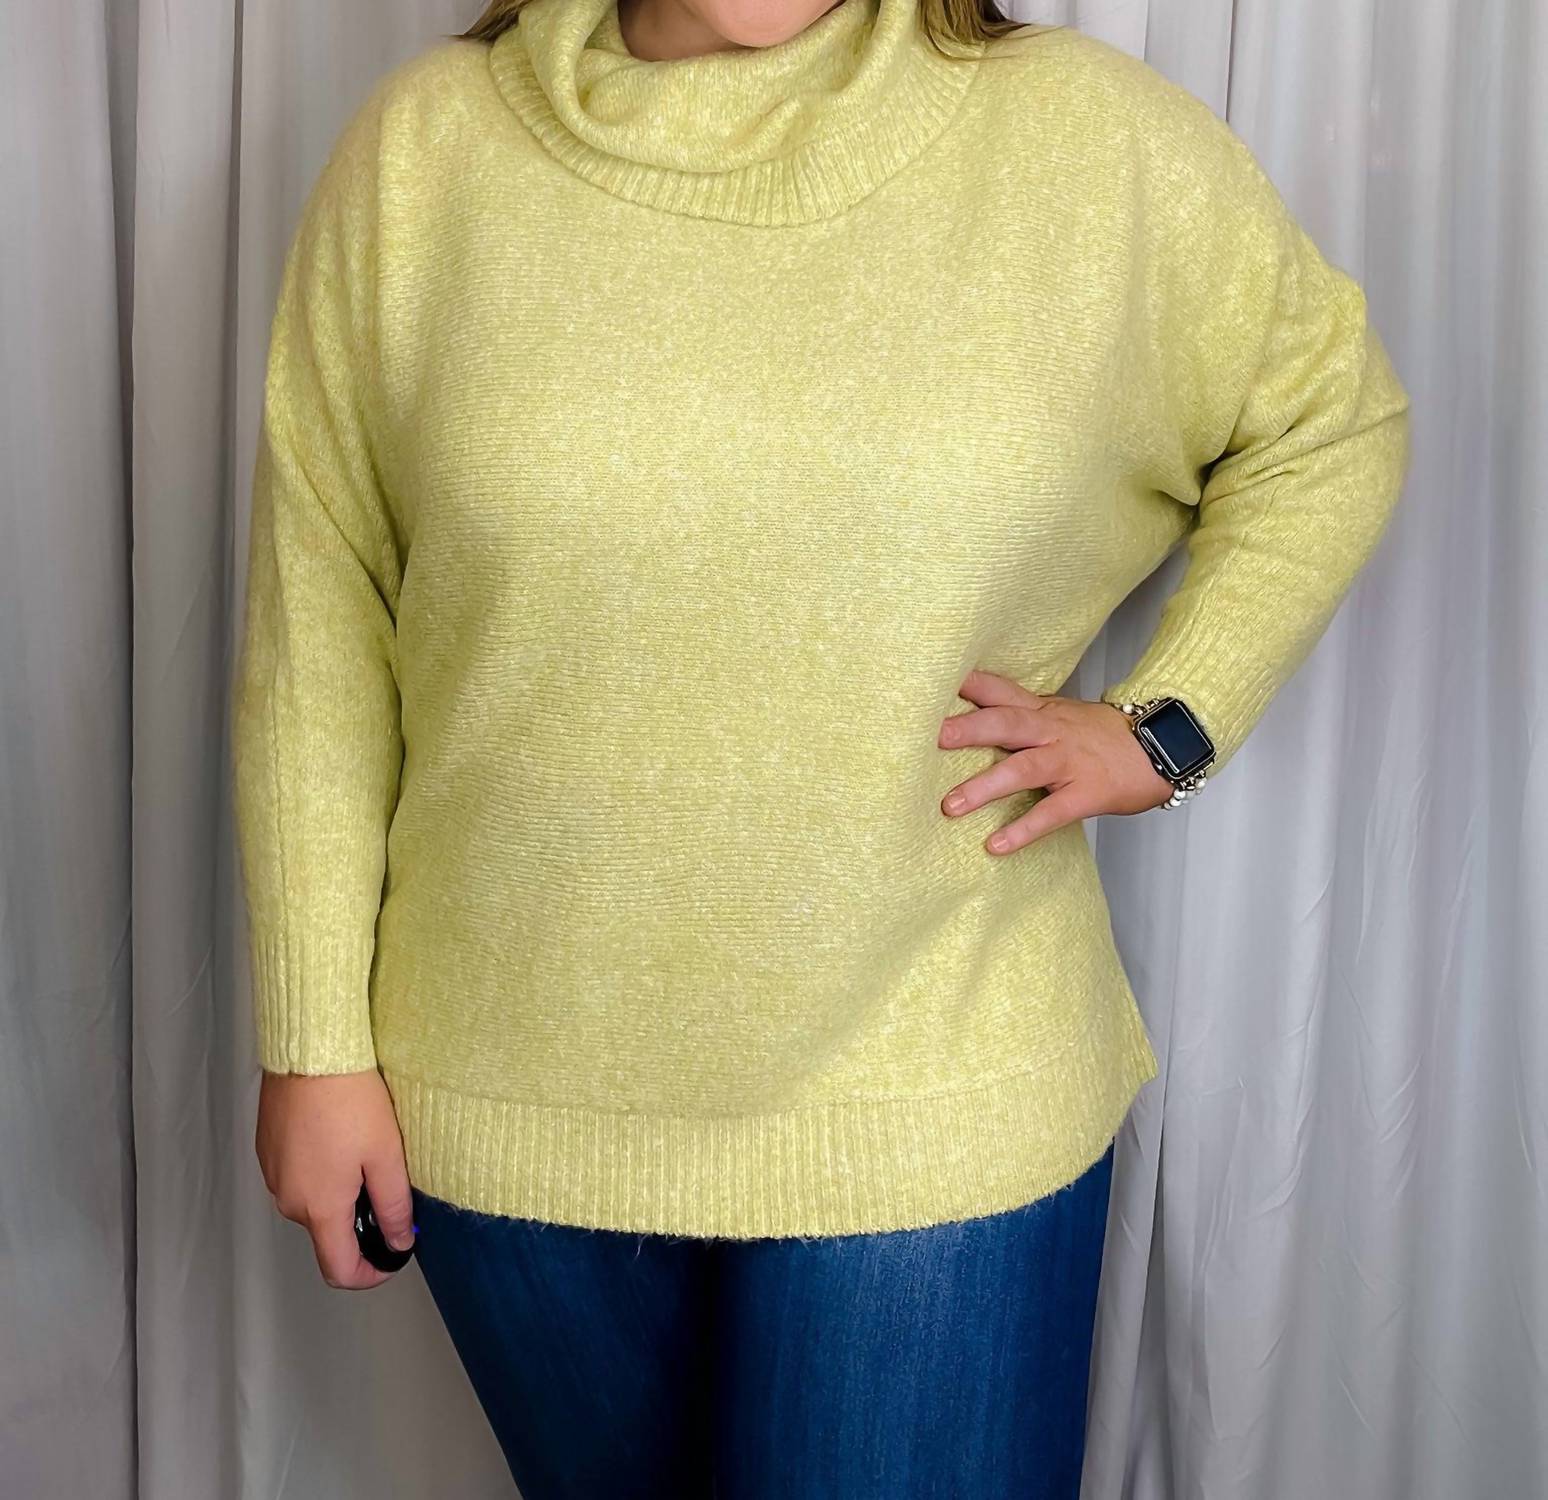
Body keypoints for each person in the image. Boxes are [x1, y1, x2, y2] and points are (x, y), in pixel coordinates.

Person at [231, 0, 1412, 1493]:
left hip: (935, 1083)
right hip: (505, 1104)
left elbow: (1326, 421)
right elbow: (319, 624)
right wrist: (314, 1046)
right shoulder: (421, 160)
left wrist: (1166, 727)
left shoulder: (1088, 143)